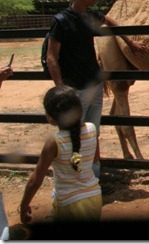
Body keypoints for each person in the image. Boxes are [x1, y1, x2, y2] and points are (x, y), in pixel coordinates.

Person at [45, 0, 147, 178]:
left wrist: (129, 42)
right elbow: (51, 57)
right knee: (72, 135)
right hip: (74, 89)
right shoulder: (62, 21)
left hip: (93, 84)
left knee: (93, 132)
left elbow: (110, 20)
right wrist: (60, 88)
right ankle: (73, 178)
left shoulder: (90, 16)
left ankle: (94, 178)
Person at [19, 85, 102, 223]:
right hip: (94, 197)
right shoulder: (92, 129)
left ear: (51, 118)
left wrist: (23, 206)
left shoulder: (54, 143)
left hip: (68, 204)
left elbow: (35, 181)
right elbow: (95, 159)